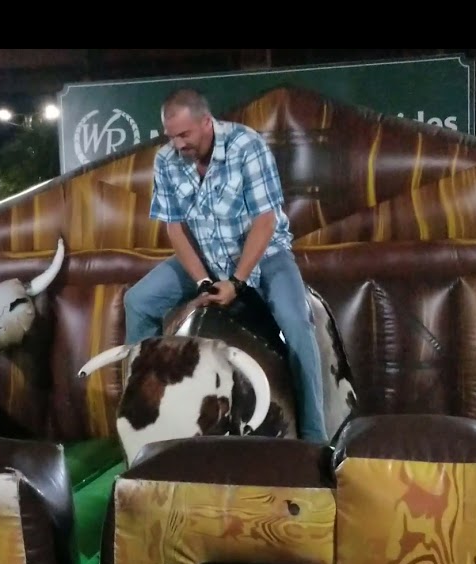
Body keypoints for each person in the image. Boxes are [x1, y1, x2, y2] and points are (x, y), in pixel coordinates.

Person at [123, 87, 329, 445]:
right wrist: (202, 281)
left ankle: (314, 435)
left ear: (206, 122)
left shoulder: (246, 146)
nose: (178, 145)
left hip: (263, 255)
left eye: (184, 135)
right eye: (171, 137)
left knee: (296, 322)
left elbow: (266, 221)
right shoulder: (166, 160)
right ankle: (141, 414)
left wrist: (237, 281)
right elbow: (175, 227)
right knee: (137, 301)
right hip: (203, 256)